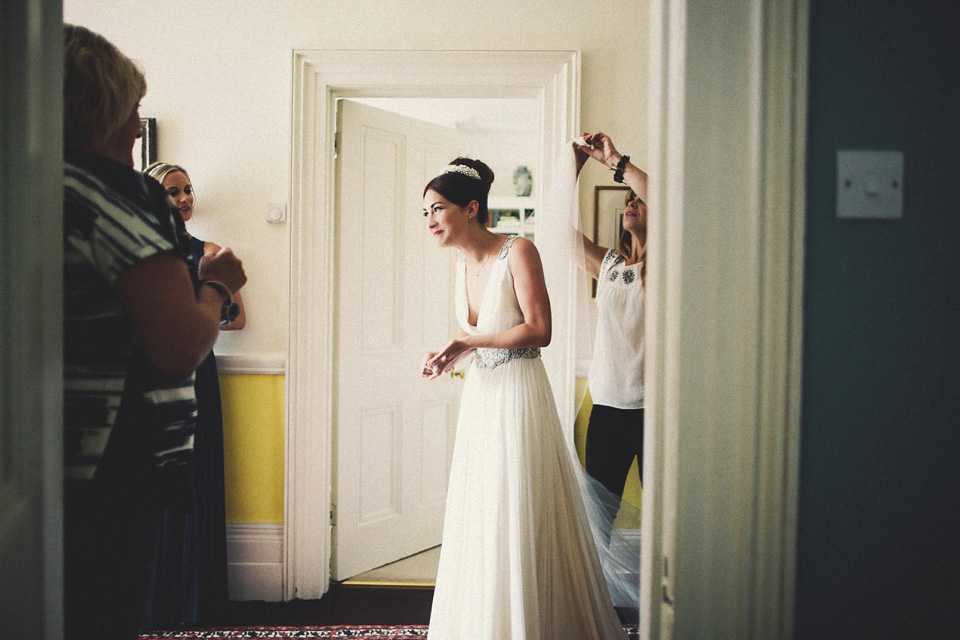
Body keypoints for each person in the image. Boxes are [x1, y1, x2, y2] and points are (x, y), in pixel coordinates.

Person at [63, 24, 246, 640]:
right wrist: (217, 284)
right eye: (132, 109)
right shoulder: (124, 195)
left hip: (48, 450)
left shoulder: (35, 186)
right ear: (100, 108)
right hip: (112, 451)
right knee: (105, 609)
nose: (139, 128)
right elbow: (175, 348)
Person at [421, 159, 628, 639]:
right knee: (482, 513)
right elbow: (475, 332)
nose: (429, 220)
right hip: (481, 400)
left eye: (437, 208)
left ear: (471, 208)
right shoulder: (460, 262)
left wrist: (470, 343)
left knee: (518, 511)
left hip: (518, 398)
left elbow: (539, 330)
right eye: (425, 211)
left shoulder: (519, 251)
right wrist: (450, 354)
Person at [143, 161, 245, 626]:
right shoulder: (139, 251)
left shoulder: (210, 252)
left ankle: (196, 602)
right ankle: (150, 598)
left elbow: (238, 318)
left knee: (193, 478)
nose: (184, 199)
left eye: (187, 190)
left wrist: (206, 304)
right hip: (148, 374)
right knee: (150, 481)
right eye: (172, 192)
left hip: (199, 370)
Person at [573, 131, 648, 516]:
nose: (632, 202)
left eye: (638, 199)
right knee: (598, 519)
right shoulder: (610, 267)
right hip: (606, 405)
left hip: (657, 411)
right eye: (628, 201)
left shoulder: (668, 264)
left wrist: (615, 159)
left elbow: (667, 200)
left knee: (667, 518)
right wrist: (575, 165)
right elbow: (558, 235)